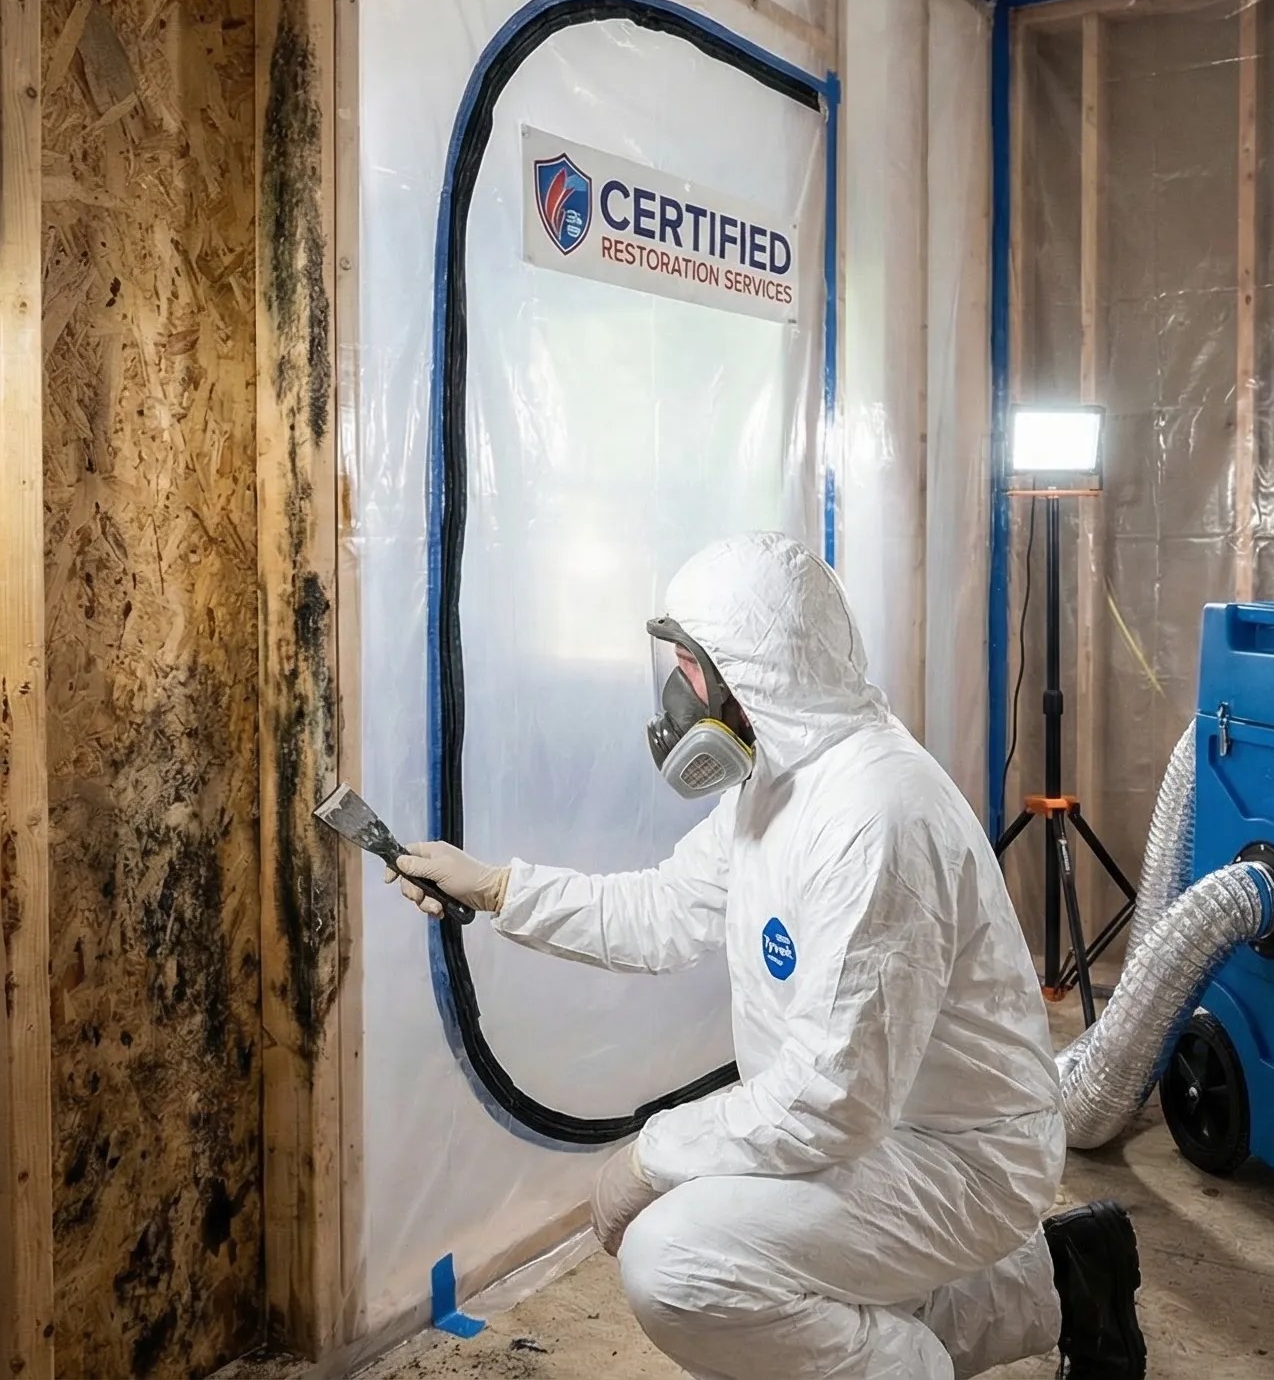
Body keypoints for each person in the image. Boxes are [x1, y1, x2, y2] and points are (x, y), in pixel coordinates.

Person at [393, 531, 1147, 1380]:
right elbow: (664, 912)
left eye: (688, 670)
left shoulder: (875, 818)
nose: (676, 698)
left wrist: (650, 1154)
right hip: (880, 1130)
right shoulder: (778, 782)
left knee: (680, 1261)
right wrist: (498, 888)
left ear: (753, 673)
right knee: (741, 1247)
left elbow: (830, 1104)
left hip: (958, 1155)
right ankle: (1066, 1286)